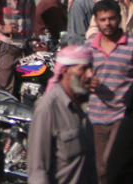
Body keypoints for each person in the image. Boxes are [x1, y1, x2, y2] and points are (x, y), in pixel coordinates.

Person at [88, 0, 133, 184]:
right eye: (103, 19)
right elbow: (76, 80)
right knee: (100, 169)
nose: (108, 23)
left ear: (119, 18)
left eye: (112, 18)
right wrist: (86, 81)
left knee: (112, 165)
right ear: (96, 21)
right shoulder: (89, 48)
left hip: (123, 117)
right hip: (96, 117)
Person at [27, 45, 98, 184]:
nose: (90, 74)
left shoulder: (83, 104)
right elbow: (38, 169)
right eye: (83, 69)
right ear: (65, 71)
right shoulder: (48, 108)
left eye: (91, 68)